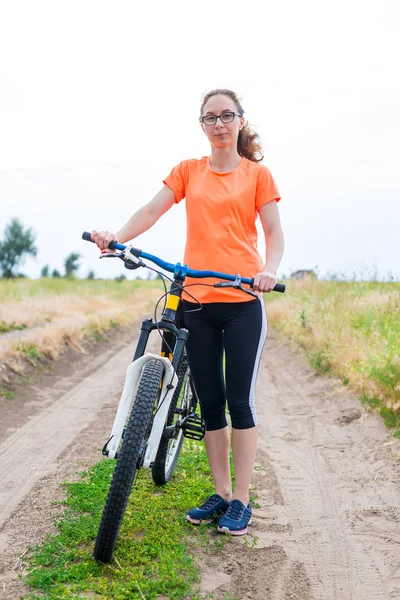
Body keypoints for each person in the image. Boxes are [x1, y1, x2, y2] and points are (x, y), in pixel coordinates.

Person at [92, 88, 284, 536]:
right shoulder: (188, 171)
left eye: (226, 116)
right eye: (210, 117)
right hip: (196, 303)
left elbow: (274, 233)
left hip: (241, 305)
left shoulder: (258, 175)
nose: (219, 124)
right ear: (202, 125)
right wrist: (116, 237)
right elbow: (152, 209)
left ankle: (242, 500)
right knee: (211, 403)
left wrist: (269, 270)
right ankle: (220, 493)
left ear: (240, 121)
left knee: (239, 402)